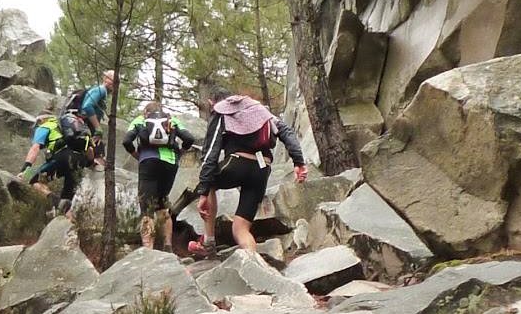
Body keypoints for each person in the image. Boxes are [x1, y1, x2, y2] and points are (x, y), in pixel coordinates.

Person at [193, 89, 307, 255]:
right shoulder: (258, 109)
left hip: (237, 163)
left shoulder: (220, 111)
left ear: (212, 103)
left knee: (209, 182)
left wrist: (203, 192)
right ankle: (254, 264)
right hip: (262, 169)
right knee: (240, 228)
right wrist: (299, 162)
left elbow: (211, 153)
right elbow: (286, 131)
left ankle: (208, 242)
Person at [121, 101, 196, 250]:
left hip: (149, 162)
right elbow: (189, 139)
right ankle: (168, 246)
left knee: (147, 208)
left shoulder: (140, 120)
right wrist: (180, 151)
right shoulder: (172, 120)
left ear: (145, 113)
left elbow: (126, 141)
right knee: (162, 205)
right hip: (170, 164)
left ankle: (147, 249)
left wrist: (136, 154)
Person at [22, 113, 103, 212]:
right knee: (67, 199)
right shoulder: (75, 128)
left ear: (41, 120)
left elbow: (35, 147)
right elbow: (90, 151)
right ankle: (67, 217)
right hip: (79, 161)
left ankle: (55, 201)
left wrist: (26, 168)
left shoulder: (45, 126)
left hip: (63, 157)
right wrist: (89, 163)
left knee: (32, 178)